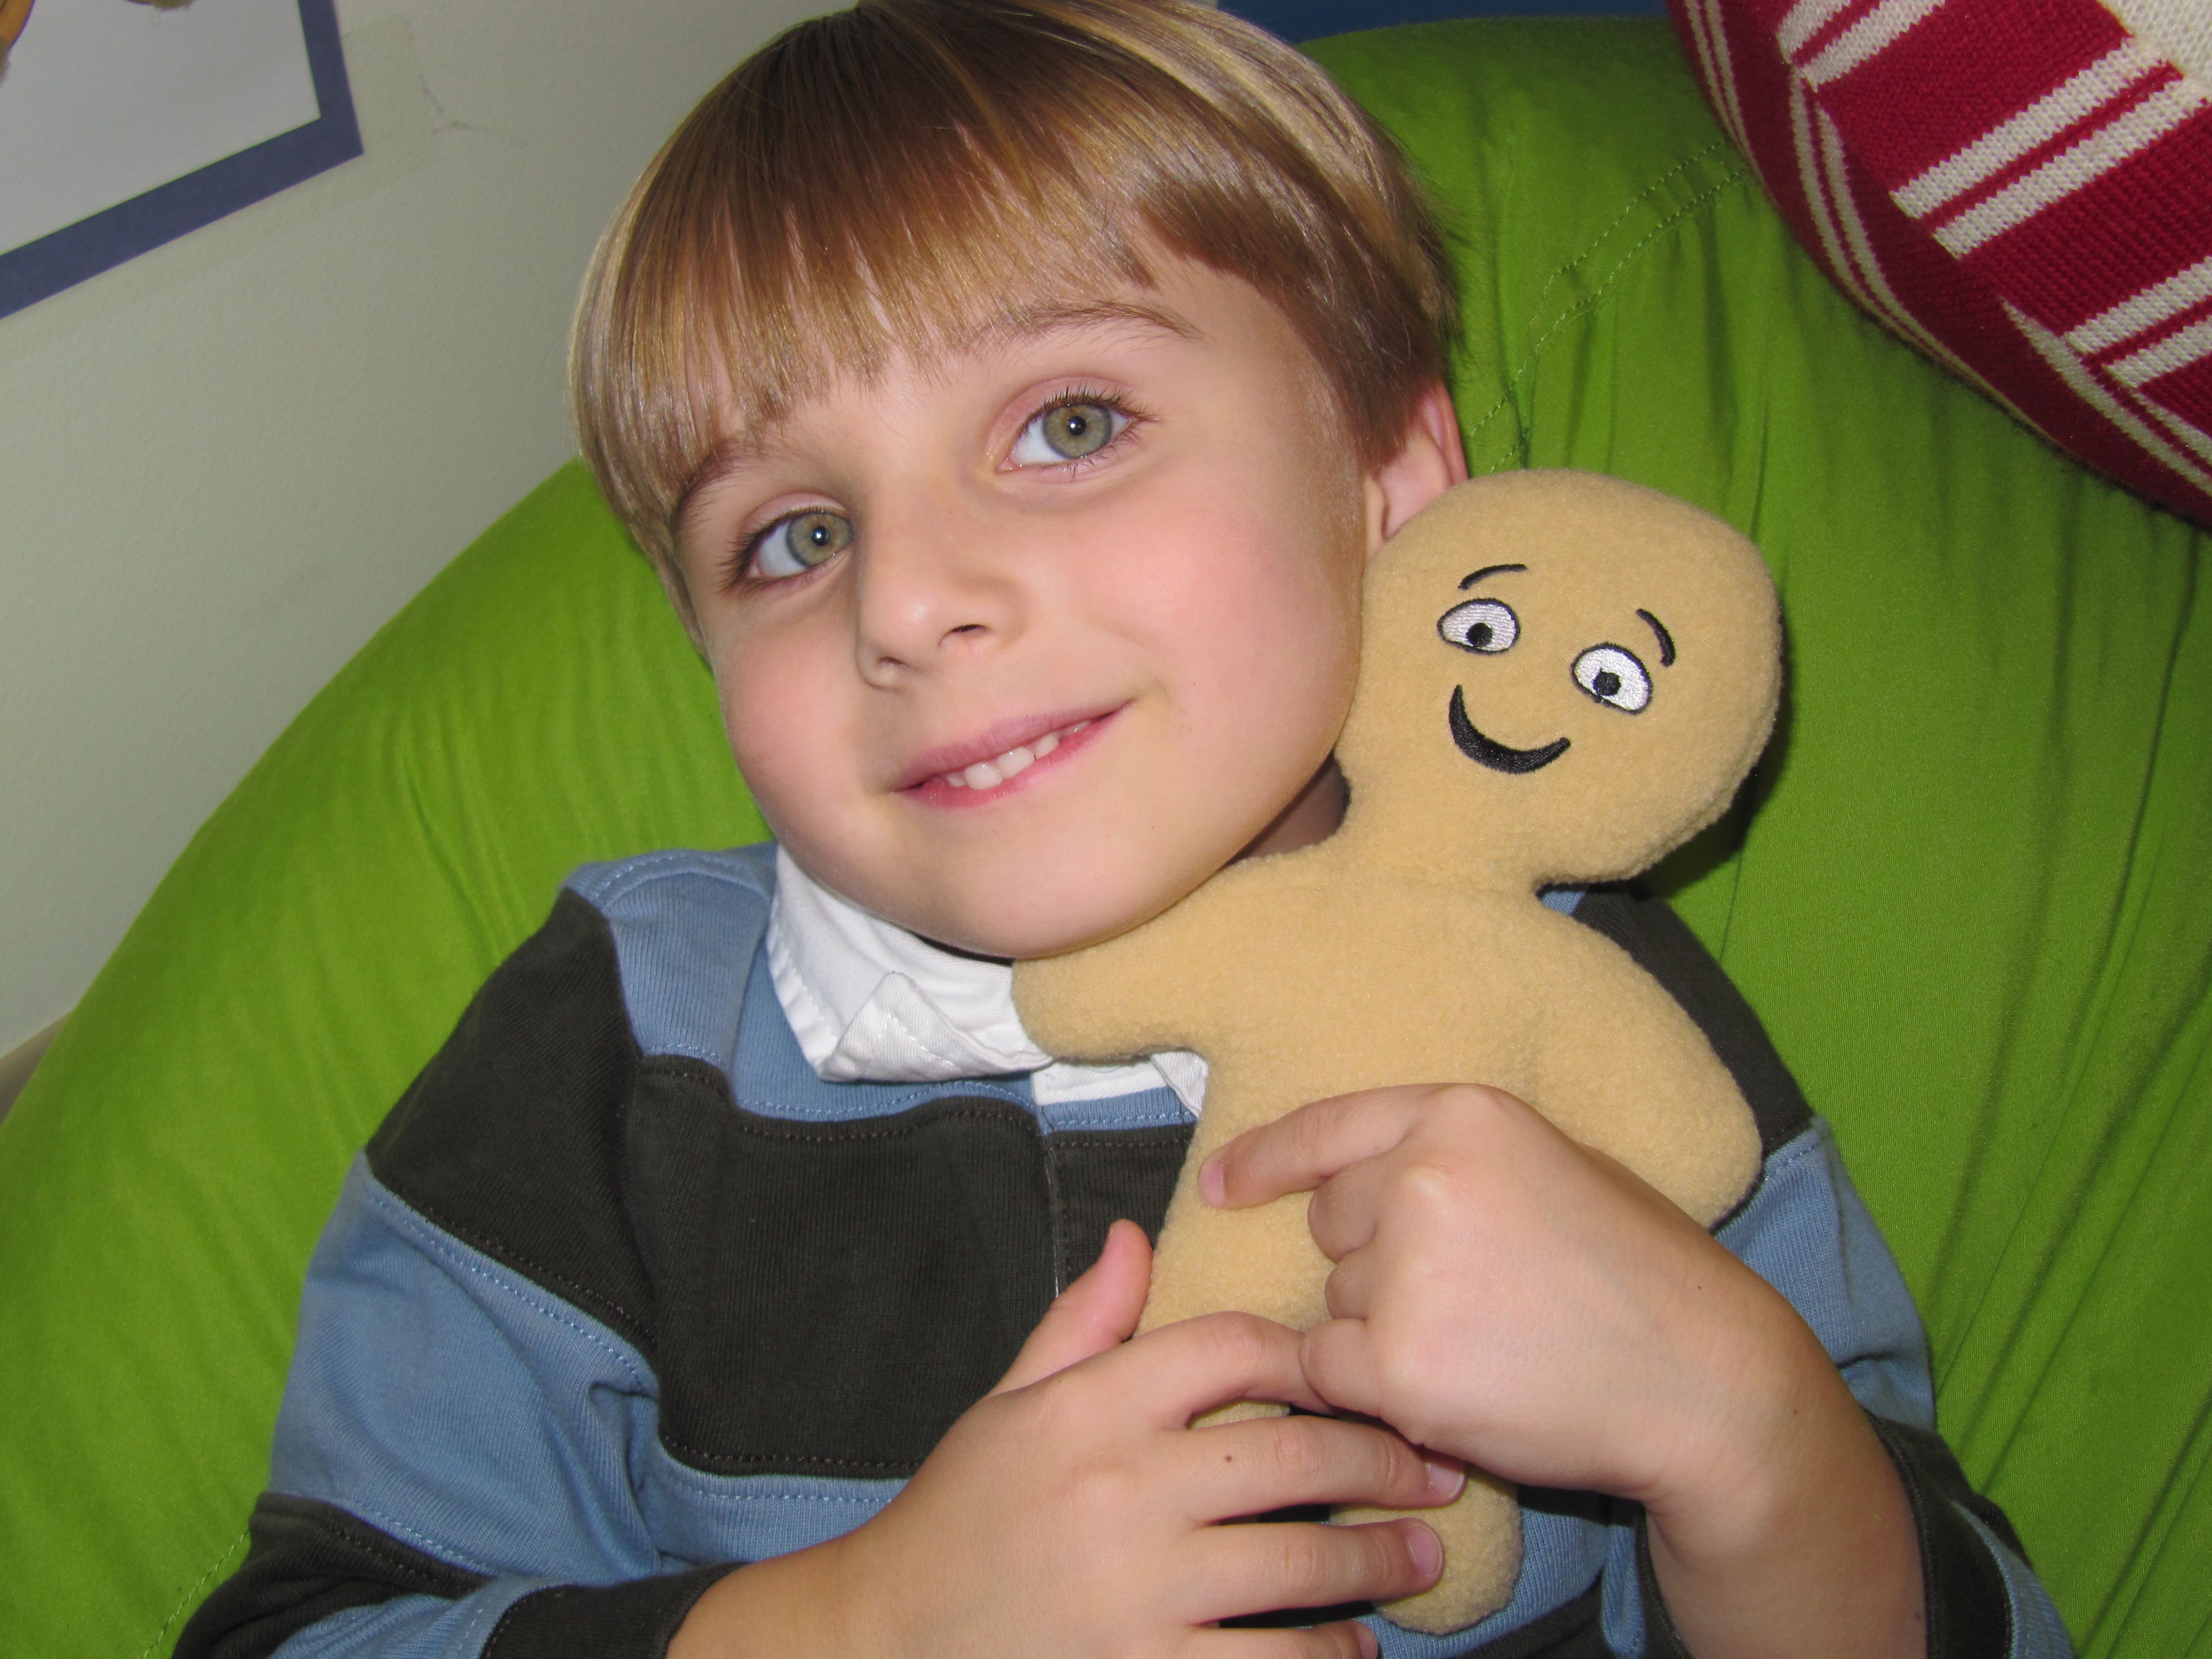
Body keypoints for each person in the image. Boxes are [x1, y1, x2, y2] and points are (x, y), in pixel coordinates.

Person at [179, 3, 2070, 1656]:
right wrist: (867, 1627)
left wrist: (1741, 1435)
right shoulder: (620, 1047)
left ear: (1390, 483)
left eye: (1070, 425)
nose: (907, 600)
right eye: (795, 537)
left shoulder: (1585, 1017)